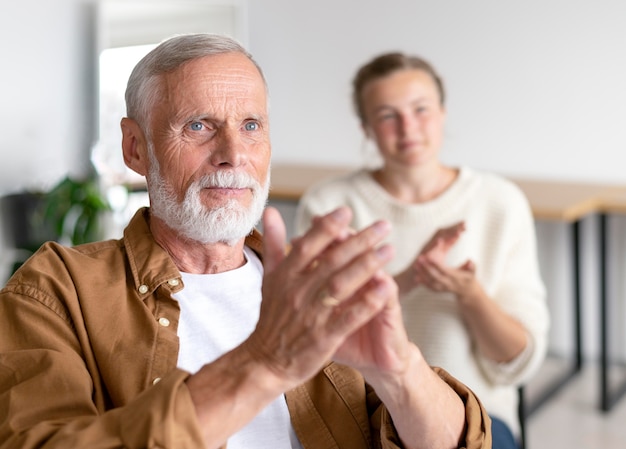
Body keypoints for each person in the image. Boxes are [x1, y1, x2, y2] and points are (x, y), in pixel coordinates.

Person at [0, 35, 490, 449]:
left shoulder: (314, 280)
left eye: (251, 126)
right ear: (135, 148)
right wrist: (263, 363)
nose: (233, 154)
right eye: (198, 126)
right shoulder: (56, 290)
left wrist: (400, 371)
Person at [295, 52, 549, 449]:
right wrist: (407, 279)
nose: (408, 128)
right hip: (360, 410)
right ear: (366, 128)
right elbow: (314, 335)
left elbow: (518, 361)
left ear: (443, 113)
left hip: (475, 412)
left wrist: (470, 295)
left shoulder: (500, 203)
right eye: (387, 115)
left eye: (421, 109)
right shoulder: (330, 204)